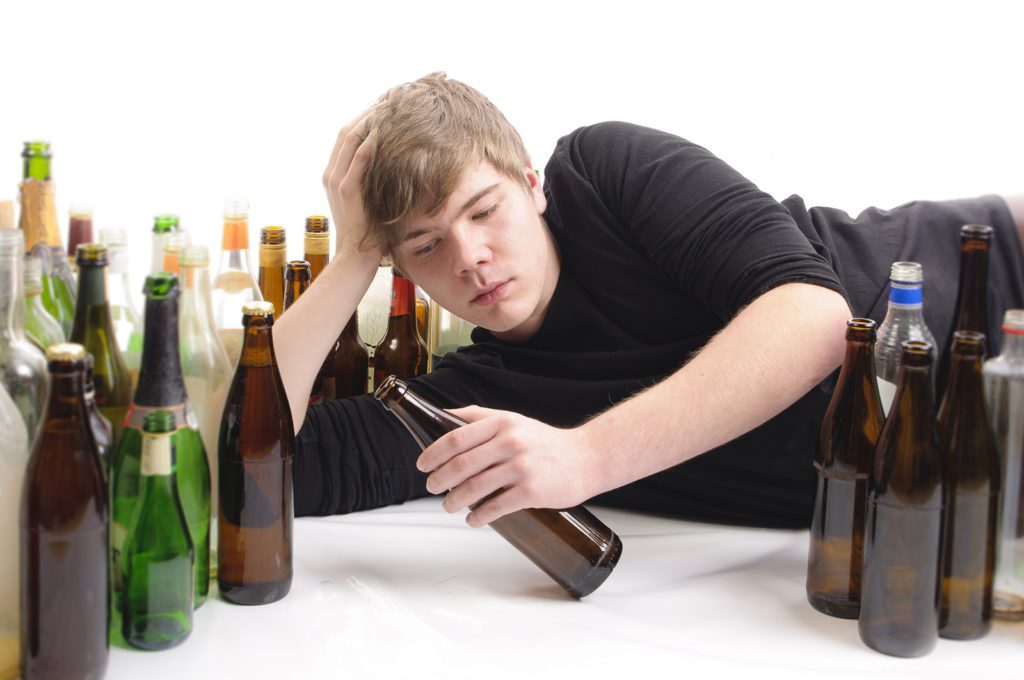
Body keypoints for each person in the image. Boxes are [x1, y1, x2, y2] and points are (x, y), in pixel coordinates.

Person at [274, 72, 1024, 530]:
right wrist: (352, 257)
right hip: (979, 472)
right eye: (425, 245)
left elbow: (813, 316)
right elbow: (265, 462)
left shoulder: (603, 172)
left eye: (482, 210)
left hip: (989, 277)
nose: (470, 257)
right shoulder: (486, 405)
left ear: (531, 184)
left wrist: (587, 455)